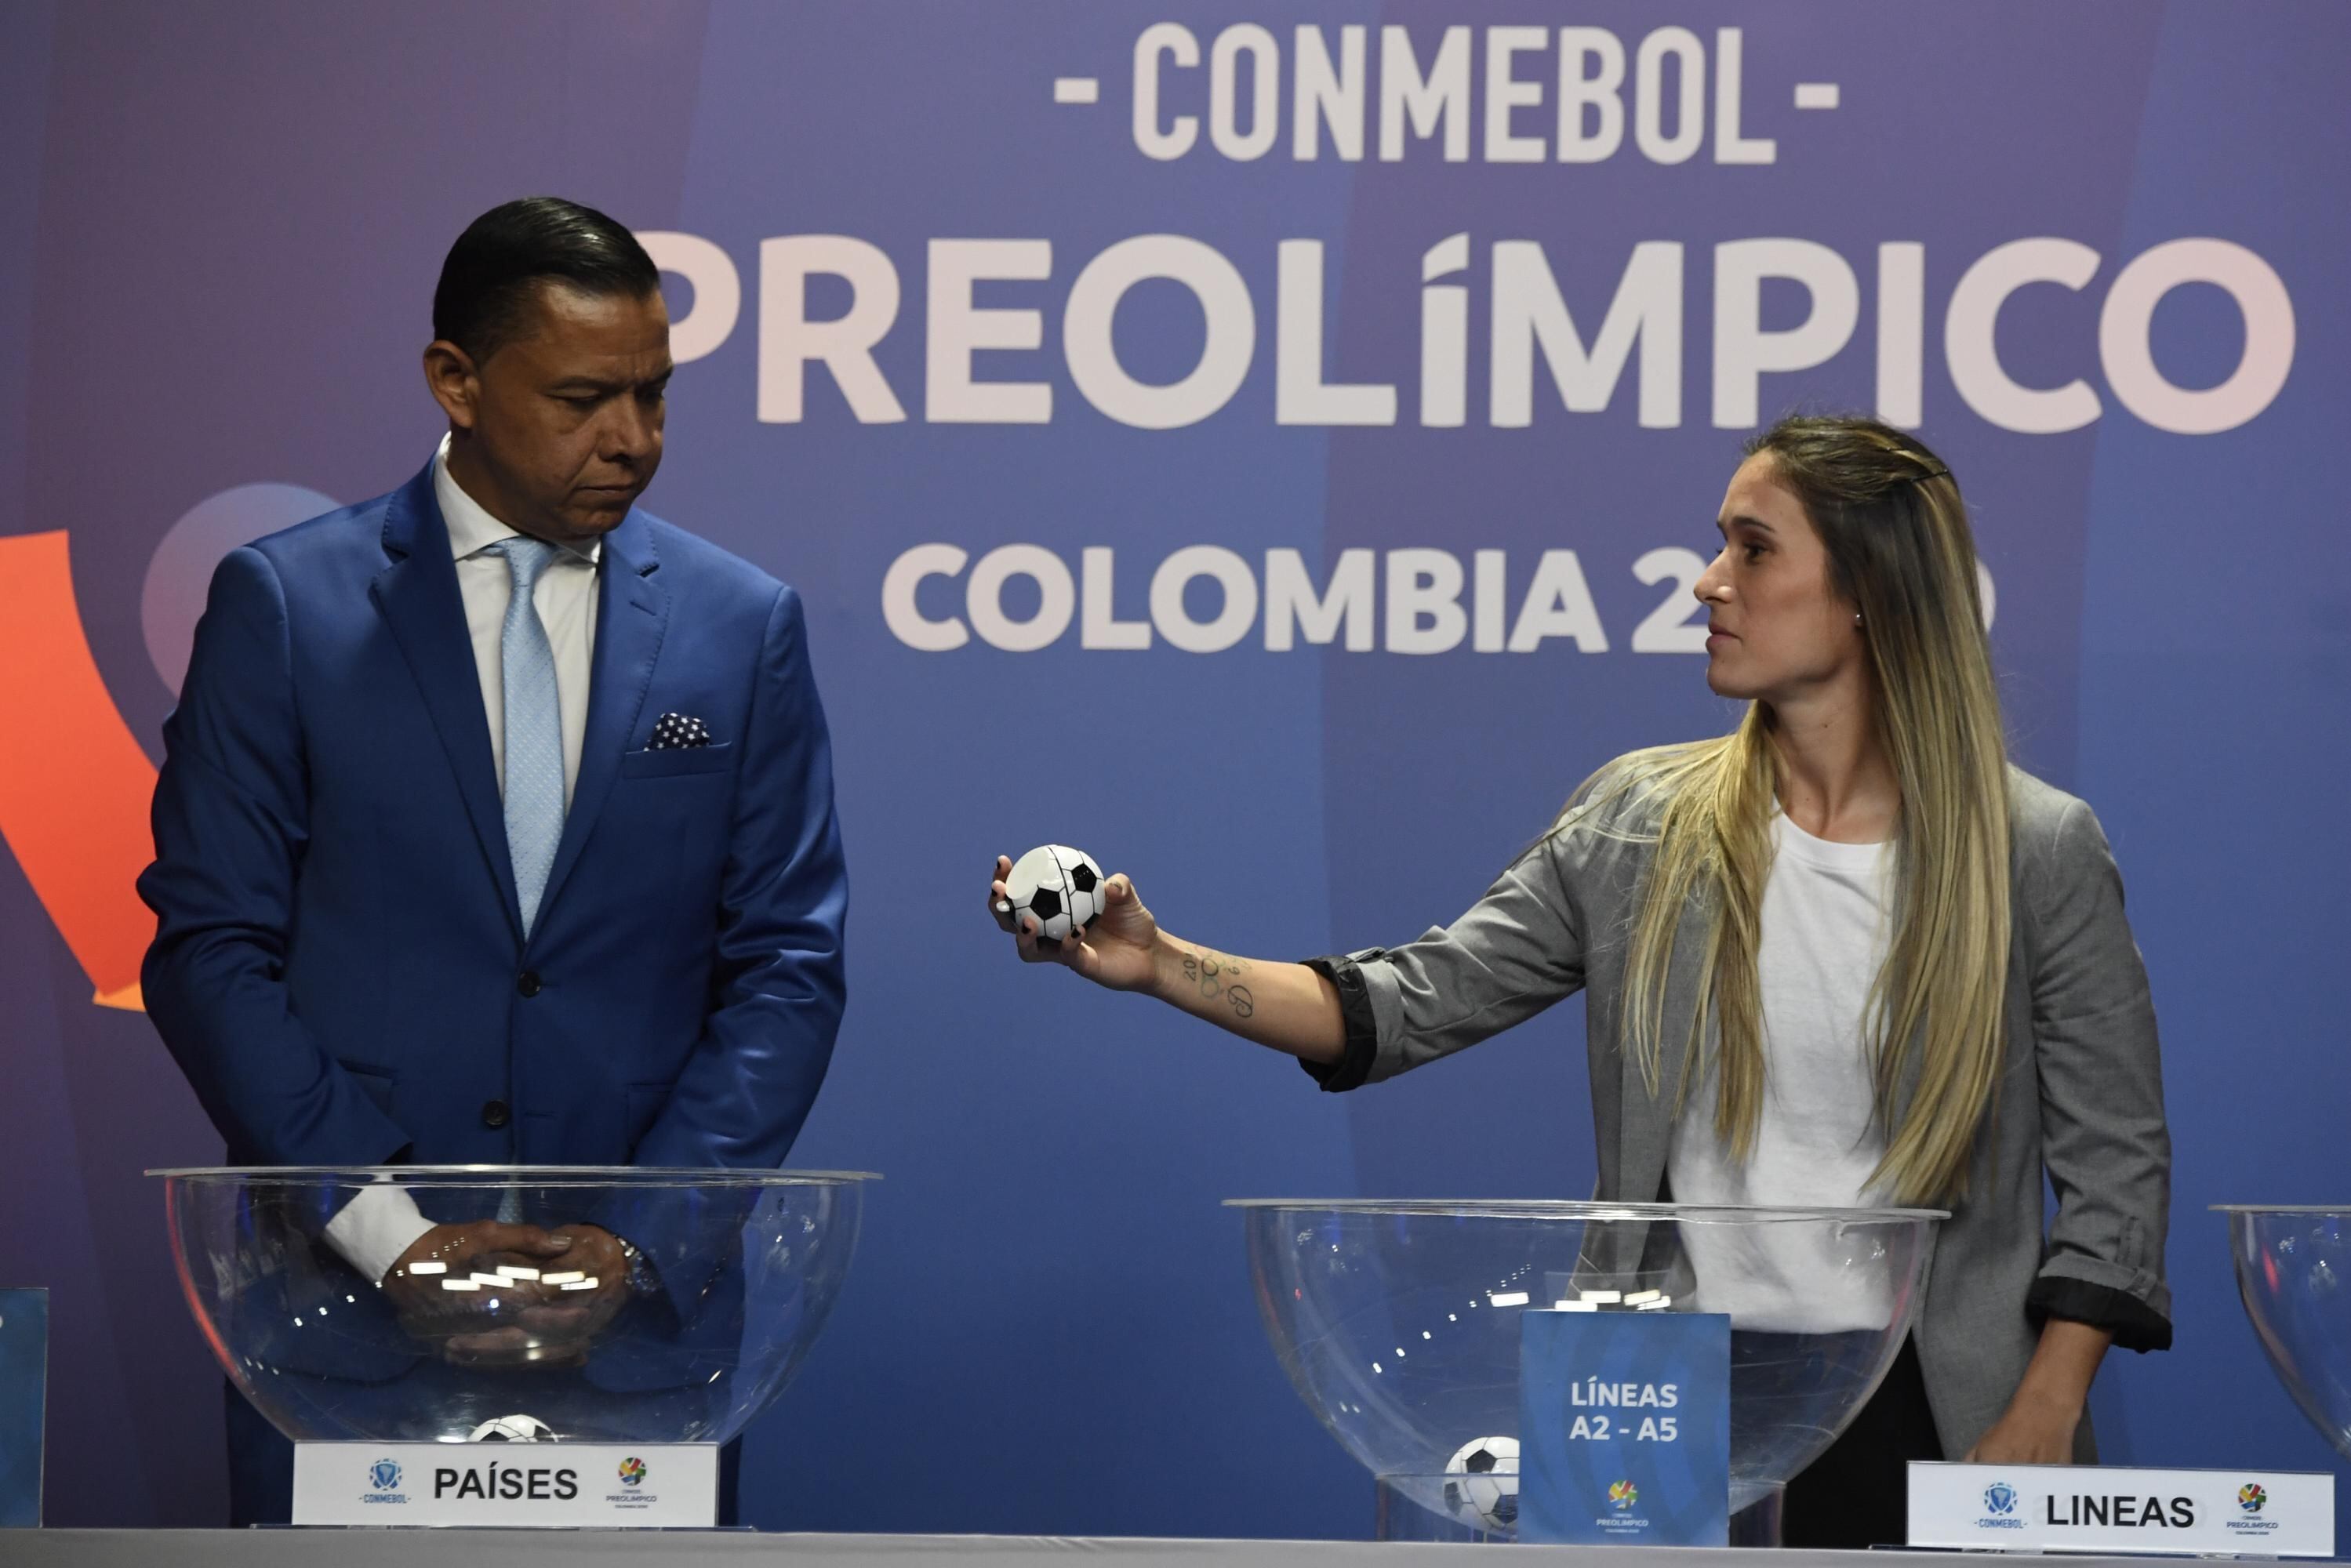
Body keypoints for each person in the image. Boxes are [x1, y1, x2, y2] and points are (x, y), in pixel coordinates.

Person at [987, 416, 2169, 1549]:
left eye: (1752, 550)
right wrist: (1160, 964)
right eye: (1720, 544)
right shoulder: (1639, 826)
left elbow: (2114, 1170)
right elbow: (1413, 1000)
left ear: (1868, 595)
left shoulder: (2036, 850)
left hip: (1937, 1416)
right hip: (1652, 1400)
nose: (1707, 582)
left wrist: (2046, 1404)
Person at [139, 196, 848, 1525]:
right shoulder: (285, 609)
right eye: (584, 398)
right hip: (340, 1336)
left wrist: (639, 1249)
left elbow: (788, 968)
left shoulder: (739, 625)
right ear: (453, 381)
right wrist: (392, 1234)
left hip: (639, 1346)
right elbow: (211, 952)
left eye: (654, 396)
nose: (631, 441)